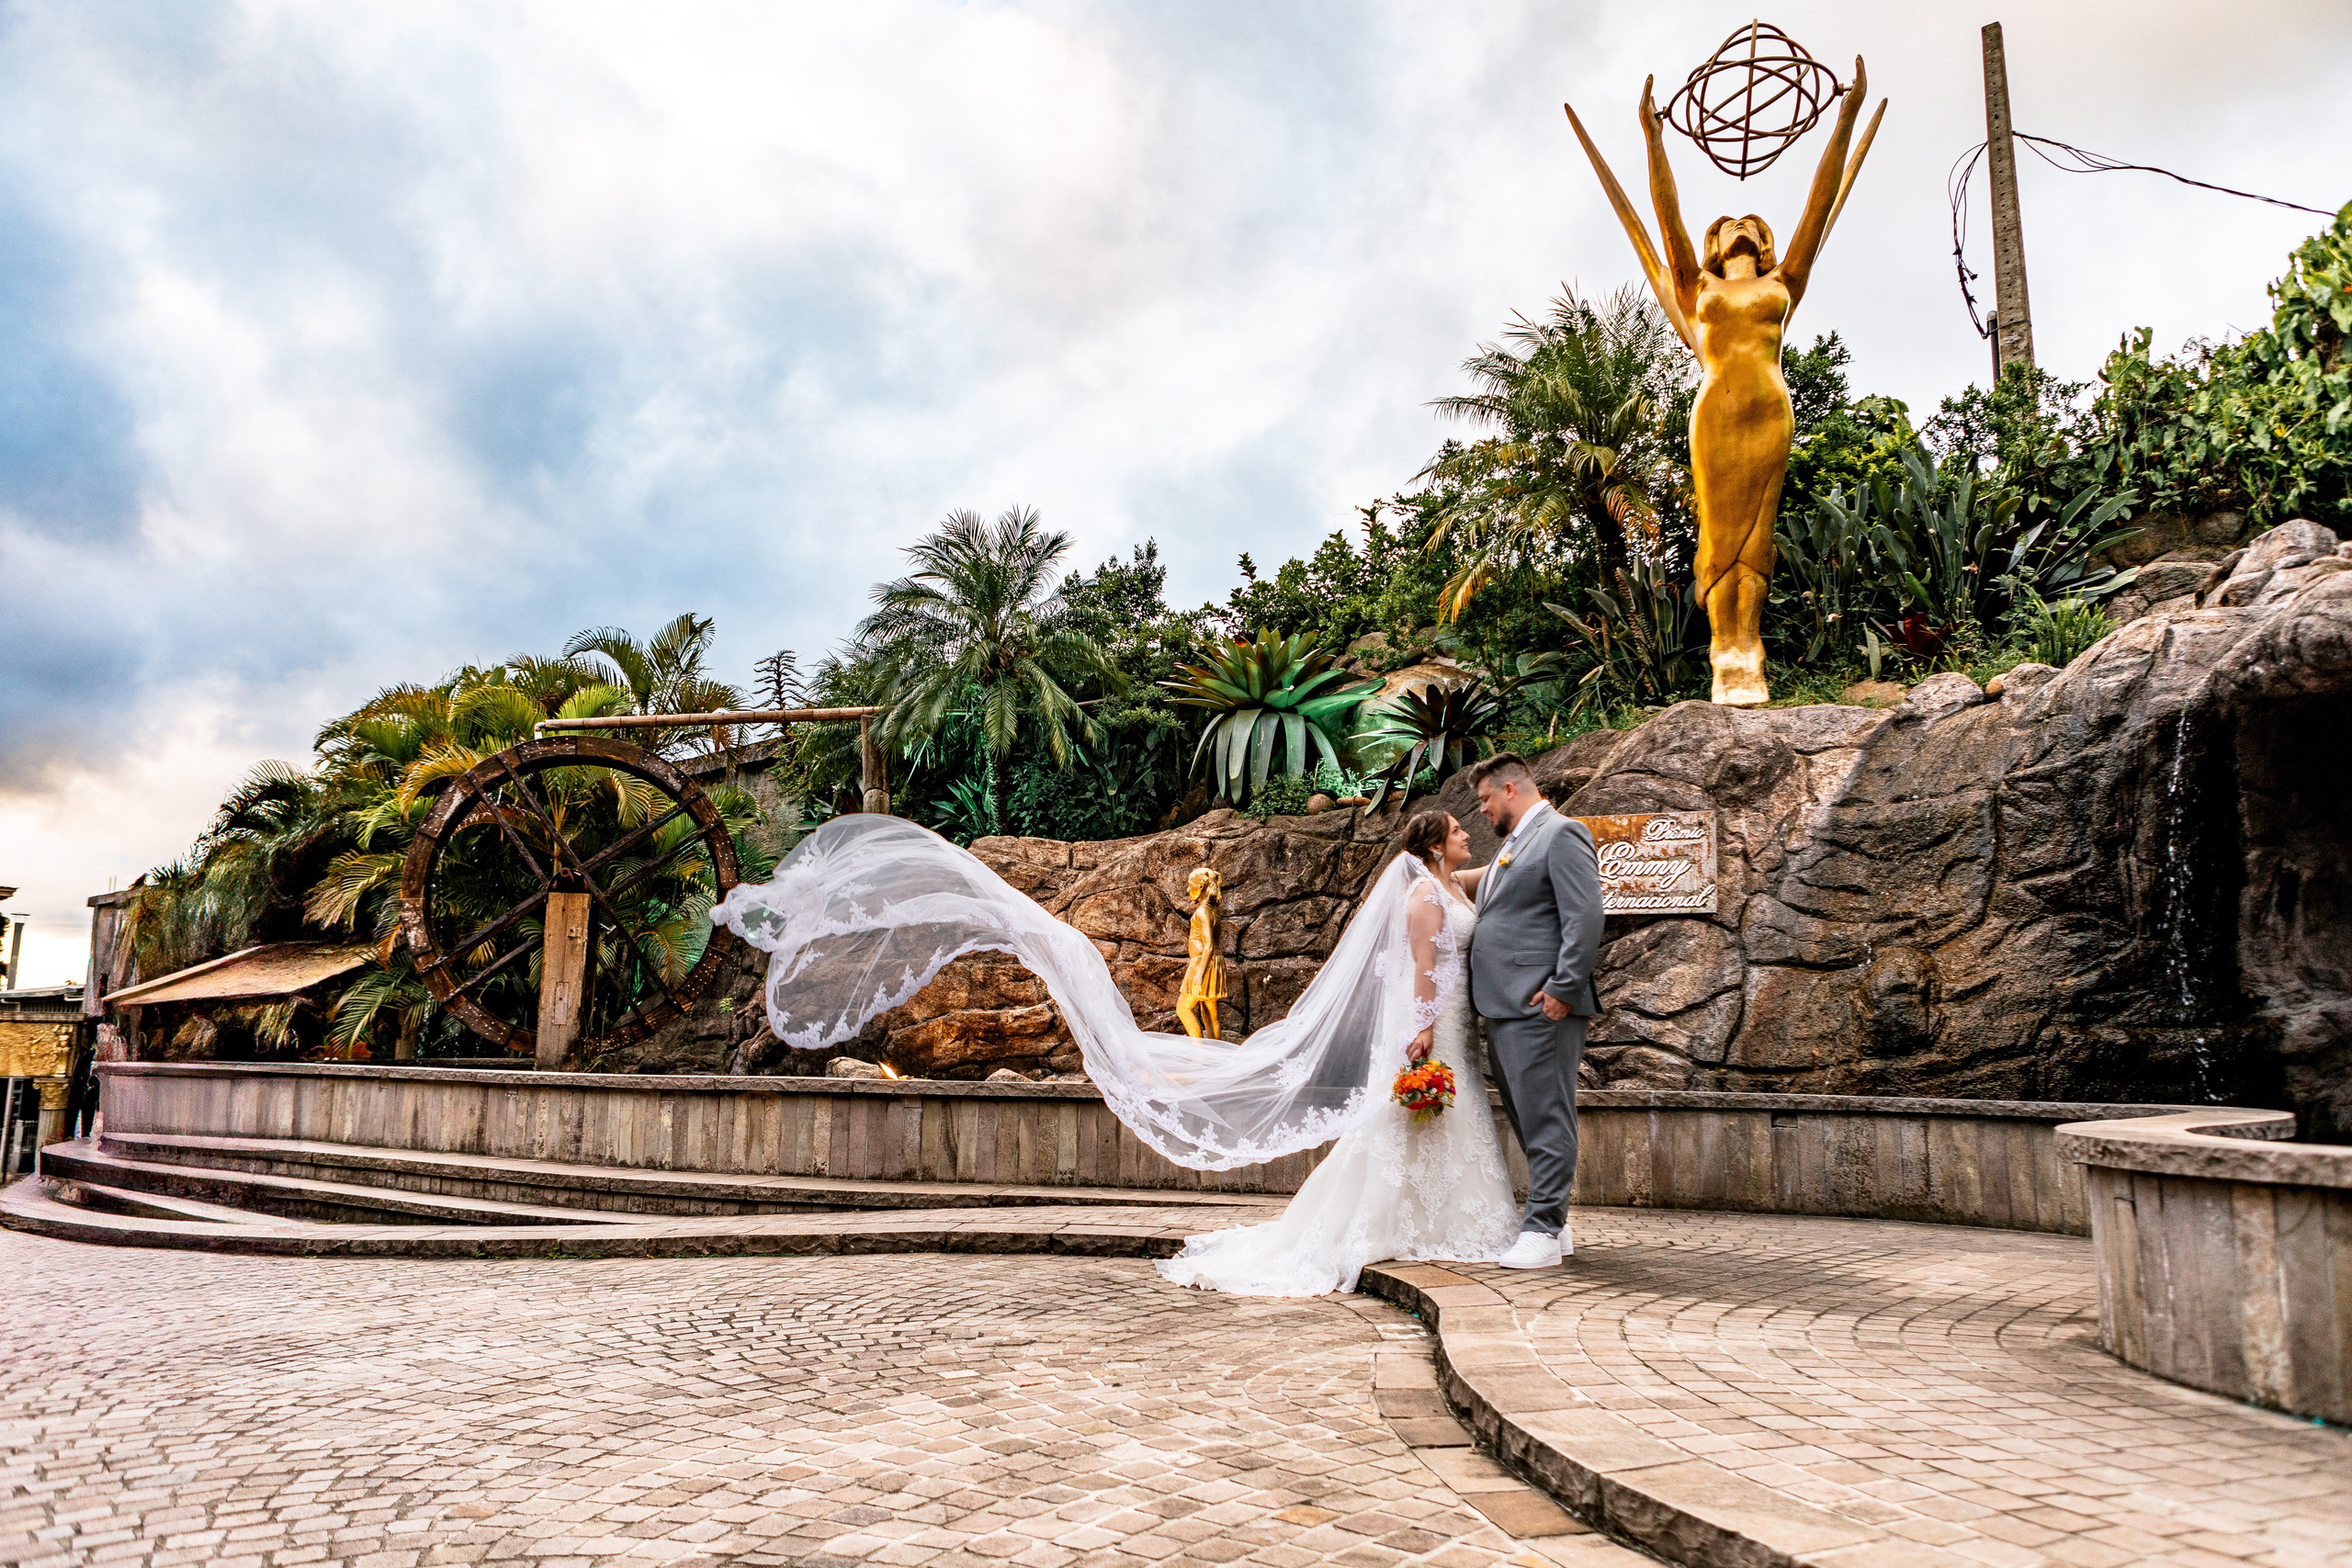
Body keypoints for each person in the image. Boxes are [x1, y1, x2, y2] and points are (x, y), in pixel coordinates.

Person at [1155, 809, 1517, 1295]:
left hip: (1456, 1018)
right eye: (1456, 830)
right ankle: (1395, 1221)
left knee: (1451, 1109)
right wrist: (1425, 1026)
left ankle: (1443, 1217)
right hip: (1433, 1017)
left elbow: (1495, 869)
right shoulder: (1425, 894)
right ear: (1435, 846)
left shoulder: (1450, 883)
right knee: (1412, 1114)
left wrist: (1524, 839)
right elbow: (1424, 966)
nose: (1467, 833)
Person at [1461, 752, 1604, 1269]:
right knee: (1527, 1117)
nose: (1481, 810)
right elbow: (1490, 891)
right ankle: (1556, 1226)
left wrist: (1563, 987)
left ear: (1510, 790)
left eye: (1485, 799)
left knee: (1546, 1116)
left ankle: (1541, 1228)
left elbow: (1585, 915)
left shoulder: (1562, 833)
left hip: (1542, 1003)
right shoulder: (1515, 844)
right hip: (1506, 1003)